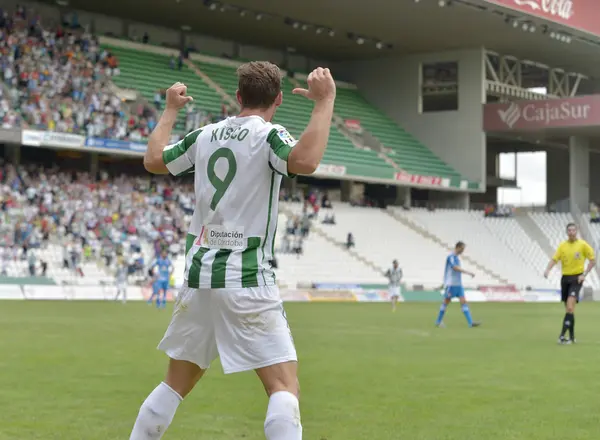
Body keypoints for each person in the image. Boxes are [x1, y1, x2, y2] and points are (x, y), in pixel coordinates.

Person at [129, 62, 335, 440]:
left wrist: (171, 110)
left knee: (174, 384)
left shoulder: (205, 135)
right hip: (246, 276)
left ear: (238, 97)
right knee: (283, 387)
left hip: (200, 277)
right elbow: (304, 161)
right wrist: (324, 103)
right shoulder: (269, 135)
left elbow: (153, 161)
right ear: (278, 99)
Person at [544, 223, 595, 344]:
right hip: (565, 279)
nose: (571, 232)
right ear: (567, 232)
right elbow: (554, 259)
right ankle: (572, 337)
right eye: (569, 231)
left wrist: (584, 274)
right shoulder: (563, 246)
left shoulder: (583, 245)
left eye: (573, 230)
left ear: (576, 231)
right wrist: (547, 269)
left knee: (570, 306)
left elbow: (592, 260)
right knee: (569, 310)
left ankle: (562, 336)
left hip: (577, 279)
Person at [435, 241, 481, 328]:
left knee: (463, 302)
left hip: (458, 285)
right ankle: (438, 321)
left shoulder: (456, 258)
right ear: (458, 247)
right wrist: (468, 272)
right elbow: (455, 268)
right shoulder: (451, 257)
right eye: (462, 249)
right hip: (451, 284)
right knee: (446, 302)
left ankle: (470, 323)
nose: (463, 251)